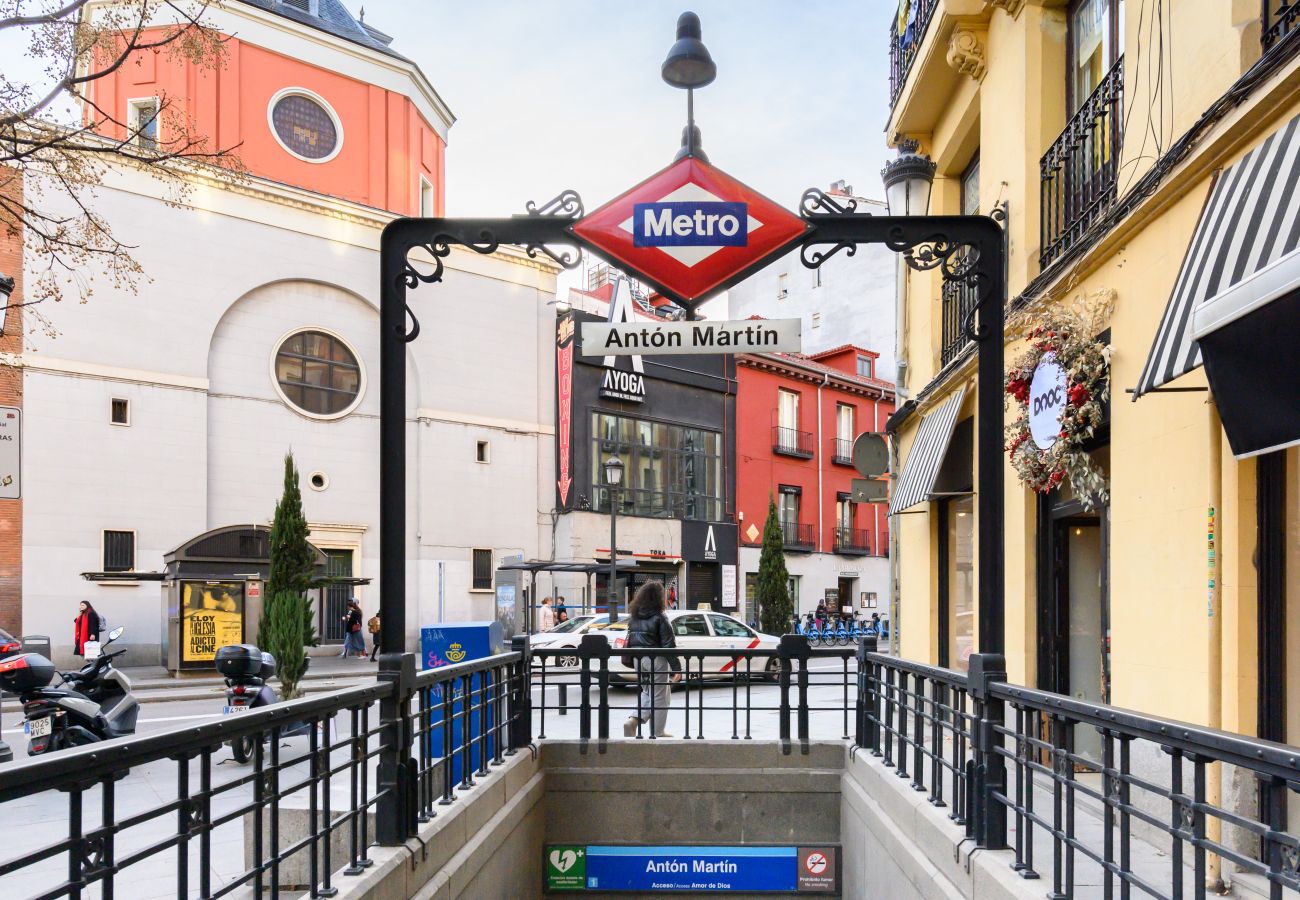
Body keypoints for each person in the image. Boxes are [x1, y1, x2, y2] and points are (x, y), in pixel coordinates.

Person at [622, 581, 682, 738]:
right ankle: (657, 731)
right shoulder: (660, 617)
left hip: (638, 660)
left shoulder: (634, 617)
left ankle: (633, 721)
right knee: (660, 696)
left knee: (648, 692)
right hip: (655, 660)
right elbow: (669, 645)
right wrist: (677, 668)